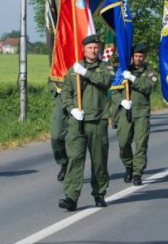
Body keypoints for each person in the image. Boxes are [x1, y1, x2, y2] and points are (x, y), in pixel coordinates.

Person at [59, 34, 114, 211]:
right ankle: (71, 197)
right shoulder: (74, 69)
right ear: (84, 49)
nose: (93, 50)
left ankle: (99, 194)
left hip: (97, 120)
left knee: (98, 160)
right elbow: (66, 93)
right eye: (90, 47)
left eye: (96, 47)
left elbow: (106, 81)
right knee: (75, 159)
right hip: (77, 121)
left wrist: (86, 74)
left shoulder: (105, 67)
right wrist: (71, 109)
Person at [112, 43, 157, 186]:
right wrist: (122, 101)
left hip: (141, 113)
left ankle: (138, 172)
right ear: (132, 56)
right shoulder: (122, 73)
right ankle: (128, 165)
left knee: (141, 144)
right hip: (125, 112)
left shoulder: (150, 73)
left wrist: (133, 79)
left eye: (141, 56)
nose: (138, 59)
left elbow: (148, 87)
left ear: (145, 57)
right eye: (136, 56)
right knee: (123, 142)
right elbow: (114, 92)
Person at [48, 79, 69, 182]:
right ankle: (64, 162)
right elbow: (52, 78)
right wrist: (56, 91)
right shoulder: (59, 62)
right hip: (62, 98)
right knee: (56, 136)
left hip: (81, 97)